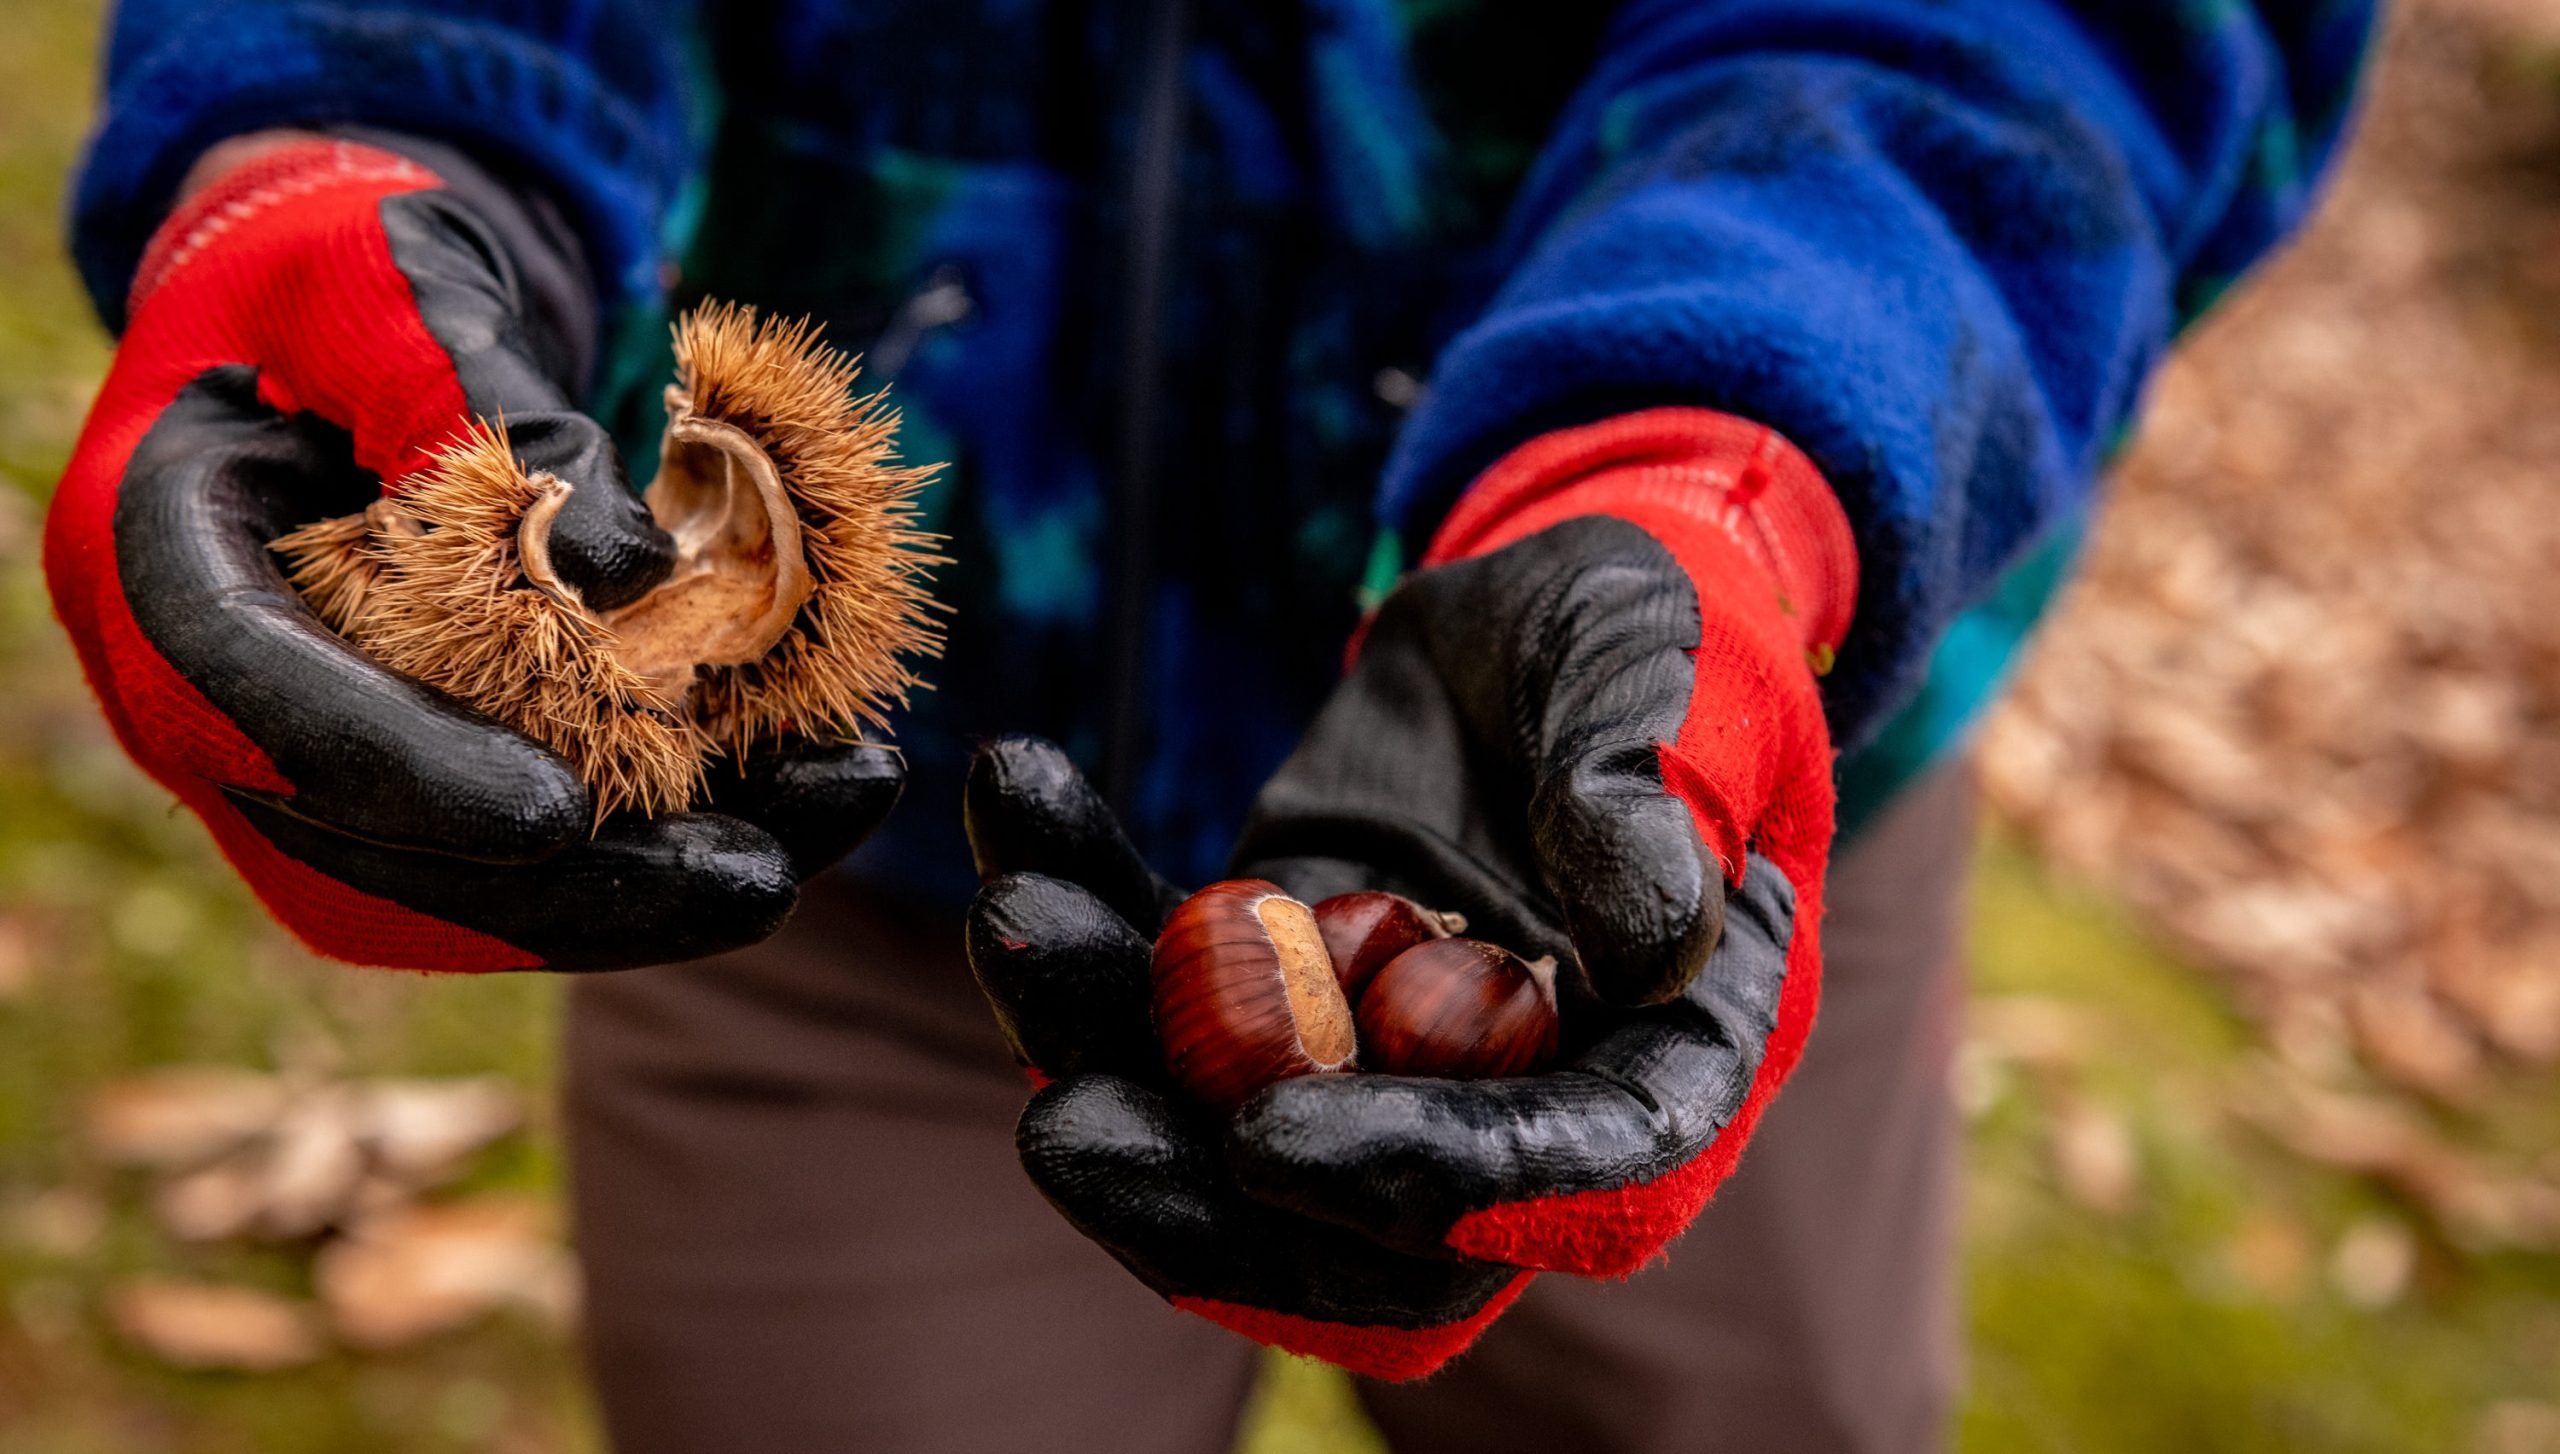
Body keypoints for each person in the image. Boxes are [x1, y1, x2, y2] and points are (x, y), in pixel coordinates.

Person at [49, 2, 2377, 1450]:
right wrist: (337, 146)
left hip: (1682, 799)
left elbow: (2033, 34)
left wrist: (1717, 463)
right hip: (858, 842)